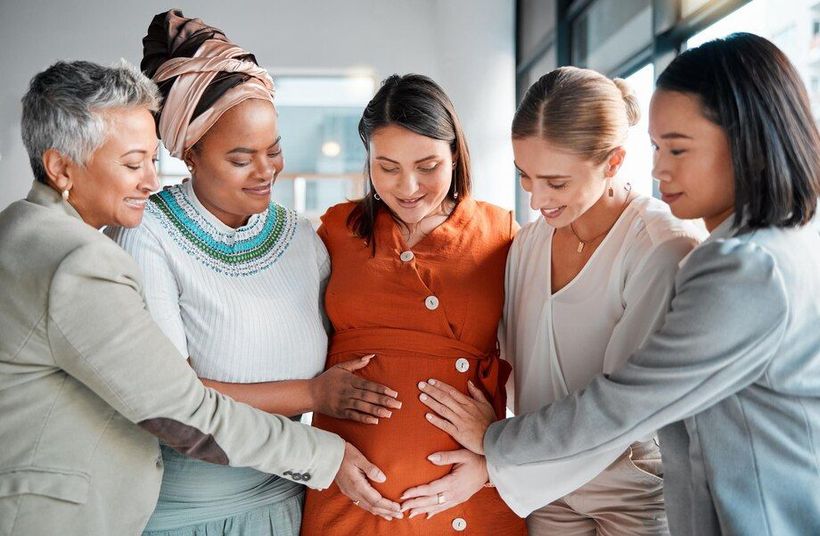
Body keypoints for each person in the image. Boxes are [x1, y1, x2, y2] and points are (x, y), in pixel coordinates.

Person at [418, 33, 820, 535]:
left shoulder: (740, 266)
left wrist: (497, 447)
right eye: (655, 146)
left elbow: (627, 402)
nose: (657, 167)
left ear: (745, 142)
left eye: (676, 148)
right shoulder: (777, 245)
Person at [0, 60, 390, 536]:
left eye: (149, 160)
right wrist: (323, 452)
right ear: (61, 167)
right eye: (131, 163)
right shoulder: (78, 262)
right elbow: (183, 409)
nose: (149, 180)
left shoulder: (22, 232)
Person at [105, 10, 402, 535]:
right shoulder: (147, 233)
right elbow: (173, 399)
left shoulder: (302, 240)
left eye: (275, 149)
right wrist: (313, 395)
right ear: (191, 154)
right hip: (188, 513)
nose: (266, 171)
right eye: (241, 158)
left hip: (289, 501)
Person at [416, 66, 703, 534]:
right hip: (539, 481)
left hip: (627, 484)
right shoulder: (529, 243)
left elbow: (621, 408)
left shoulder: (659, 247)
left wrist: (496, 455)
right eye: (525, 176)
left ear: (612, 162)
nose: (536, 200)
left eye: (557, 182)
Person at [300, 74, 526, 535]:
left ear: (455, 154)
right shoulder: (335, 231)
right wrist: (321, 454)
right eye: (387, 167)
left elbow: (541, 363)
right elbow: (292, 344)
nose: (408, 187)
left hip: (468, 499)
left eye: (427, 165)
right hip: (347, 492)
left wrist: (492, 459)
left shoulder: (501, 234)